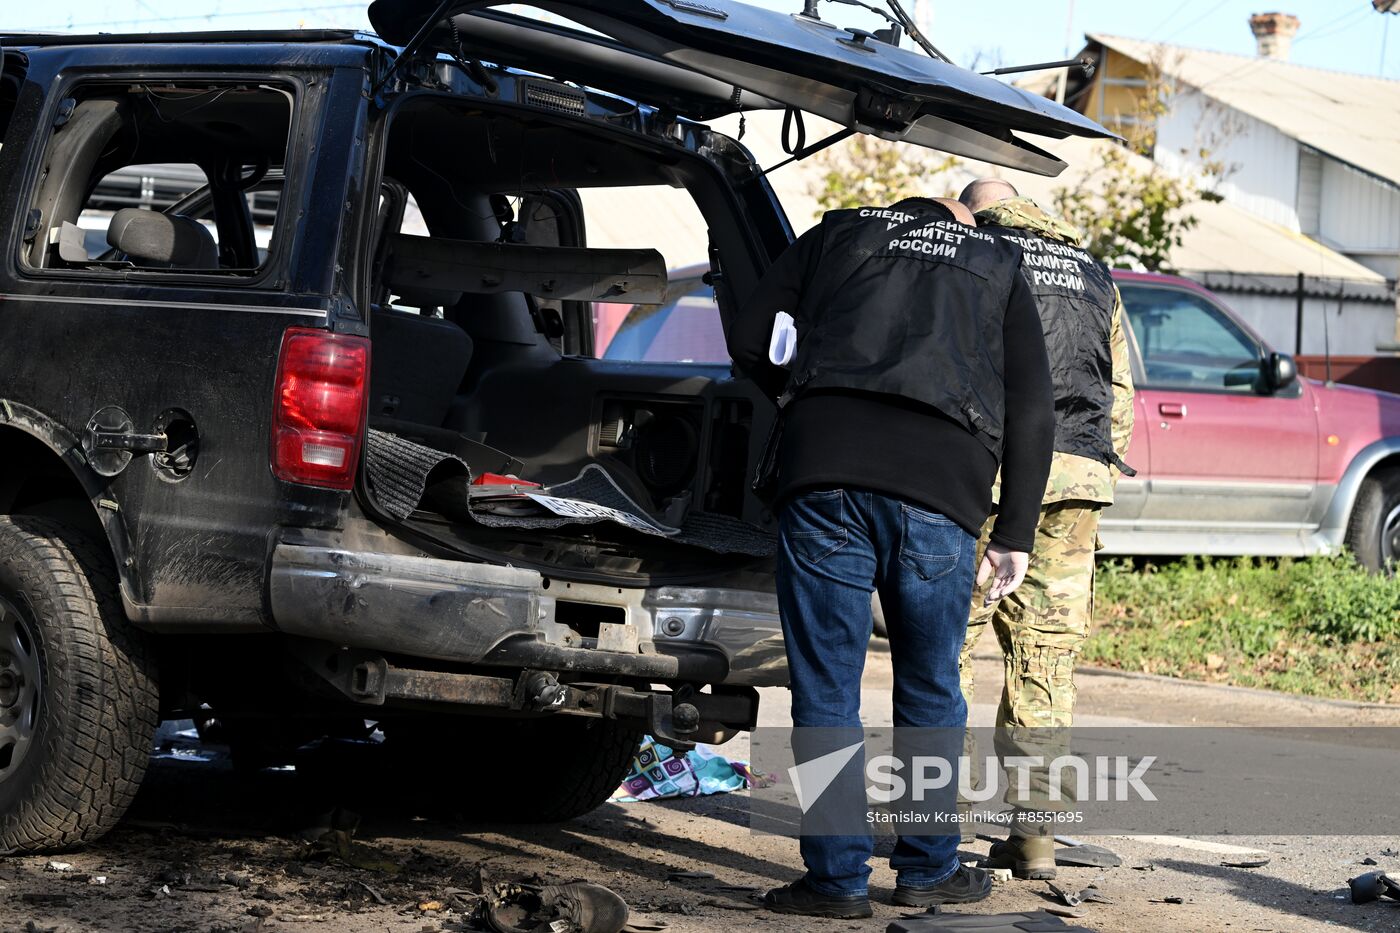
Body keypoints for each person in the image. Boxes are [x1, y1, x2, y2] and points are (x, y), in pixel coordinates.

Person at [728, 194, 1055, 919]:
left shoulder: (841, 232)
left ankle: (837, 881)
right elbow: (1034, 404)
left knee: (825, 689)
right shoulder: (997, 261)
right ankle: (927, 869)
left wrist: (802, 397)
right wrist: (1015, 535)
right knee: (932, 685)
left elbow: (751, 334)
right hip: (940, 488)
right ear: (957, 226)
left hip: (823, 469)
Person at [955, 178, 1136, 880]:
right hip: (1079, 483)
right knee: (1045, 662)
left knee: (950, 646)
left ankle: (928, 826)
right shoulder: (1094, 272)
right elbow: (1119, 390)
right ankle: (1035, 837)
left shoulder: (977, 250)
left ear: (976, 209)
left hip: (990, 474)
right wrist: (1096, 476)